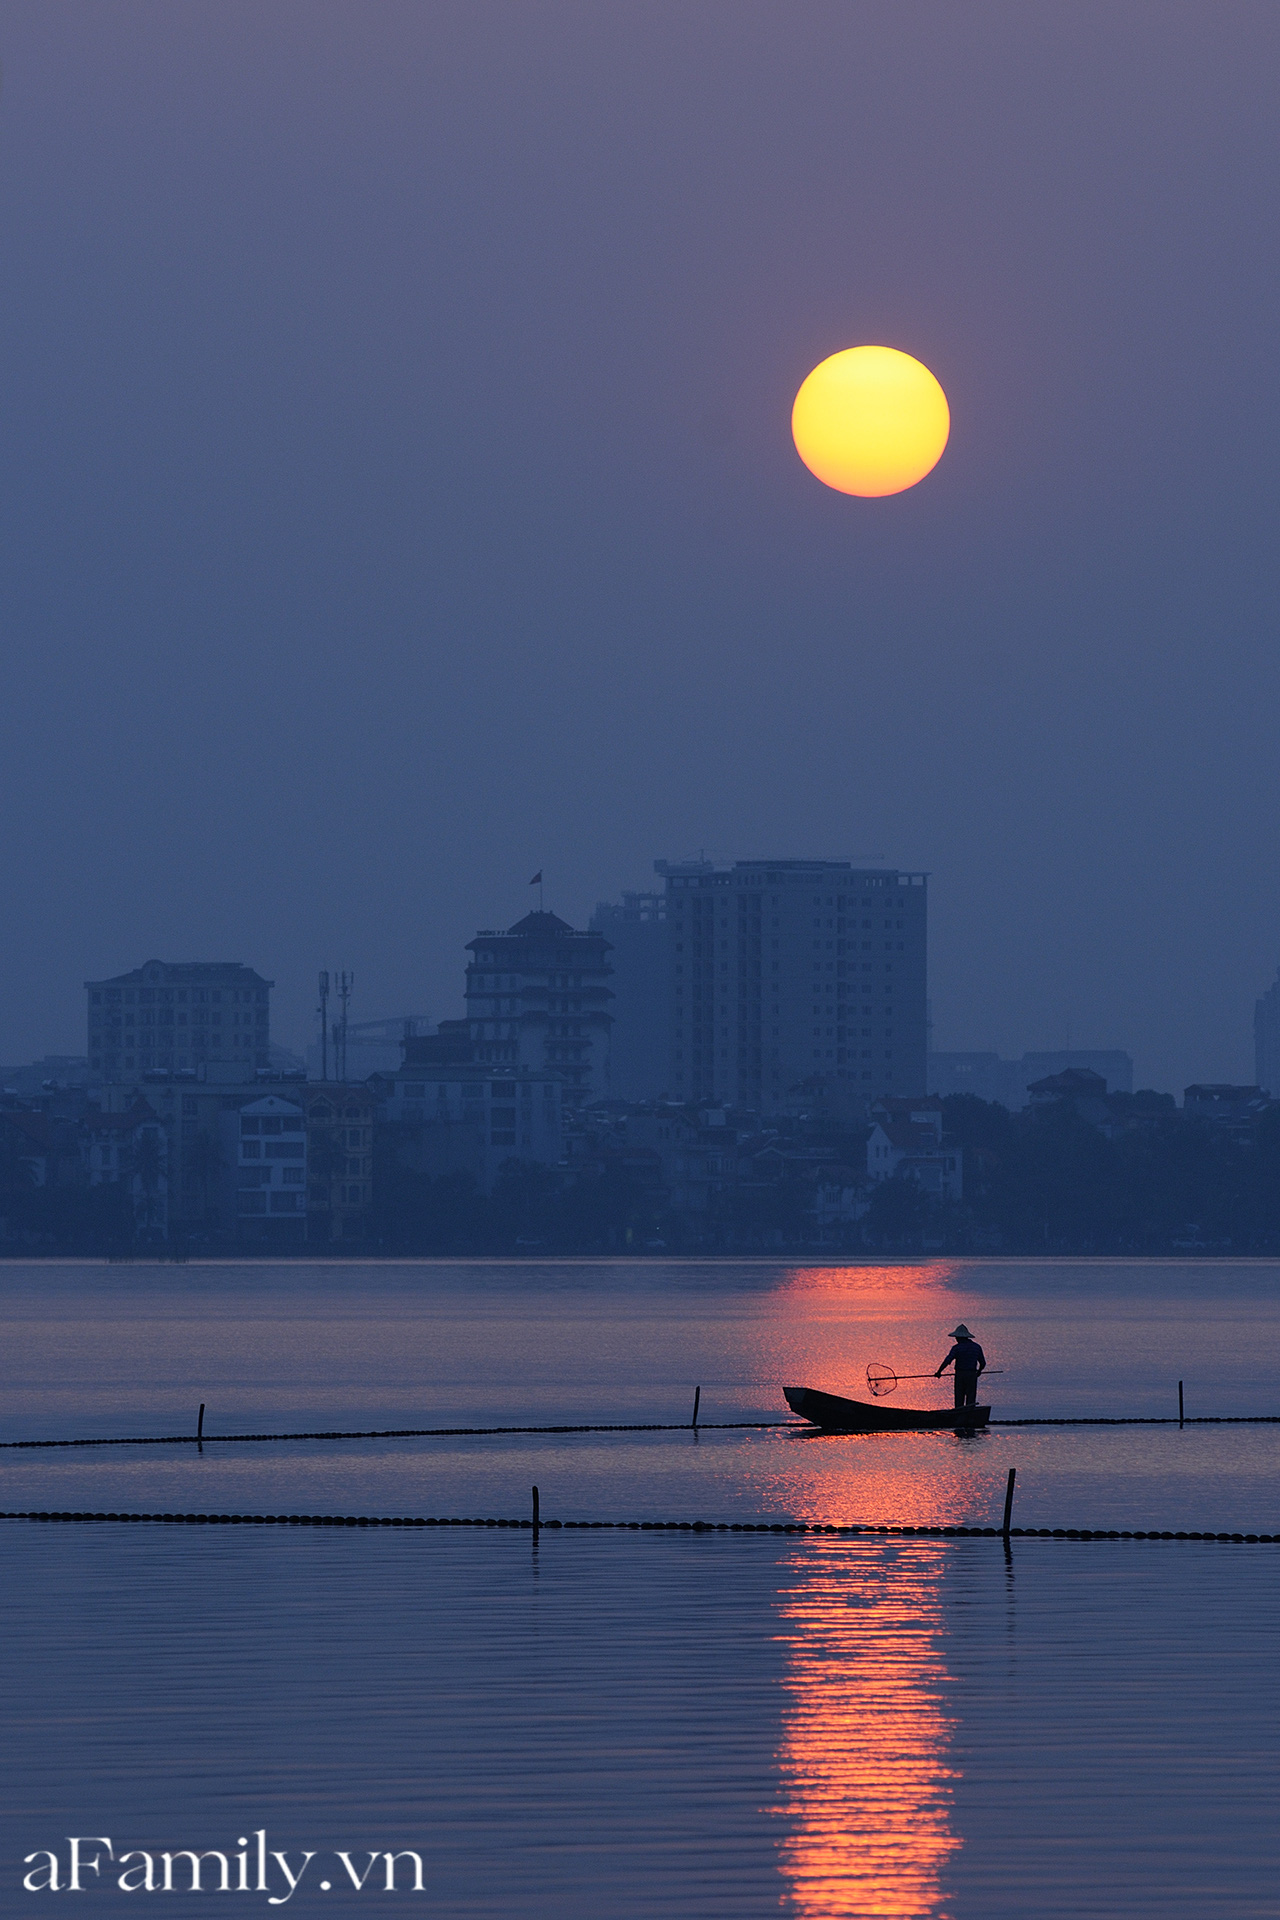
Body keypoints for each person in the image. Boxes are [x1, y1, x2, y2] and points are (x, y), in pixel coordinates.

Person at [935, 1324, 986, 1409]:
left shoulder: (957, 1348)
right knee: (971, 1397)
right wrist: (979, 1371)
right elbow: (983, 1363)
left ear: (959, 1337)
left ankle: (959, 1414)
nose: (956, 1339)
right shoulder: (976, 1347)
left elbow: (947, 1361)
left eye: (956, 1337)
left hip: (960, 1374)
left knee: (959, 1397)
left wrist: (939, 1372)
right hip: (972, 1374)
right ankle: (969, 1414)